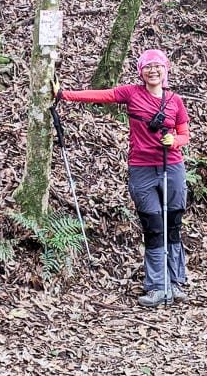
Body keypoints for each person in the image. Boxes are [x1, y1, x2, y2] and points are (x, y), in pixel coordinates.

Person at [58, 49, 191, 307]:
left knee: (173, 224)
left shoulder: (175, 100)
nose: (153, 71)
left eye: (158, 66)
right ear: (141, 71)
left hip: (172, 167)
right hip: (142, 169)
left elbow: (185, 134)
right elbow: (101, 95)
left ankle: (176, 282)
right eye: (148, 67)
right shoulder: (132, 93)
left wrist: (174, 140)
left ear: (165, 70)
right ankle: (155, 286)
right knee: (153, 226)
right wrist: (63, 94)